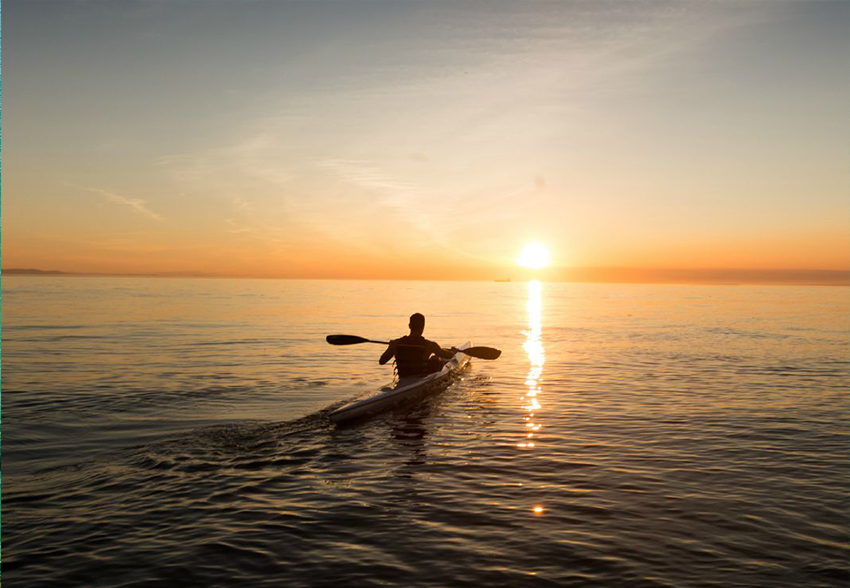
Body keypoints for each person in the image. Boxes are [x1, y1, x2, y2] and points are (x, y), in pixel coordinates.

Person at [379, 313, 458, 377]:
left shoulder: (396, 343)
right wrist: (453, 352)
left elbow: (382, 361)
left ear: (409, 326)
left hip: (404, 377)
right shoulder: (430, 345)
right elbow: (448, 356)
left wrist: (390, 347)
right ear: (423, 327)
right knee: (435, 358)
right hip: (421, 376)